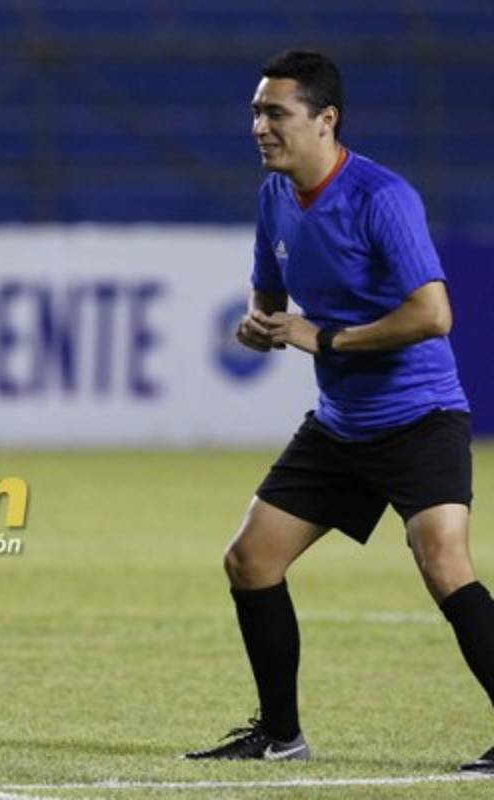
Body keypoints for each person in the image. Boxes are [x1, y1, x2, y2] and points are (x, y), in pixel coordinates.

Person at [183, 50, 493, 773]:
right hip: (342, 423)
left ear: (326, 120)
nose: (260, 126)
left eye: (276, 112)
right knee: (250, 561)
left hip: (420, 416)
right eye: (256, 112)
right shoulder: (274, 197)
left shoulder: (383, 197)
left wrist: (324, 338)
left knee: (442, 559)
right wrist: (259, 325)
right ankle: (281, 736)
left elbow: (434, 314)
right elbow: (269, 298)